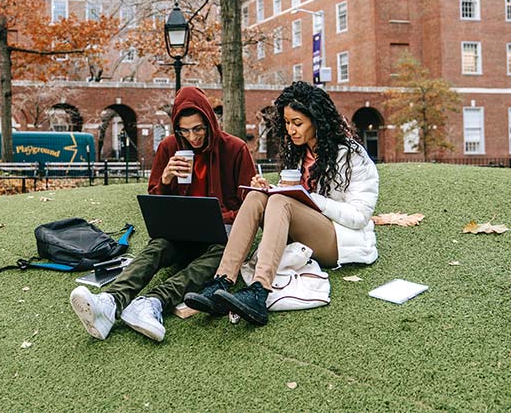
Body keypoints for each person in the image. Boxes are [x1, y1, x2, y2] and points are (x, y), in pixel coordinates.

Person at [69, 86, 256, 342]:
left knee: (222, 255)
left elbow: (250, 205)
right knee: (157, 246)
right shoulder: (169, 147)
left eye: (199, 128)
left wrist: (225, 216)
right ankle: (109, 302)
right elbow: (156, 203)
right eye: (185, 130)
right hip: (181, 233)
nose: (193, 137)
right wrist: (166, 179)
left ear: (210, 122)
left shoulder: (235, 149)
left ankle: (152, 302)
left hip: (220, 235)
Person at [185, 81, 379, 325]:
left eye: (297, 123)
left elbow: (359, 216)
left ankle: (259, 291)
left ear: (317, 120)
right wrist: (269, 188)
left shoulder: (351, 155)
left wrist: (306, 198)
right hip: (302, 231)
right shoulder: (298, 153)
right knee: (257, 196)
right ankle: (221, 281)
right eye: (287, 123)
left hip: (338, 239)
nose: (291, 130)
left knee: (280, 202)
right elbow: (293, 198)